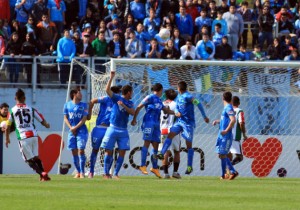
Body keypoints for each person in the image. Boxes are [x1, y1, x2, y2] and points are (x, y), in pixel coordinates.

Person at [157, 81, 209, 175]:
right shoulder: (178, 97)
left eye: (177, 87)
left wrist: (204, 116)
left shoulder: (188, 96)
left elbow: (199, 104)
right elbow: (176, 107)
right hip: (180, 122)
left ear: (179, 88)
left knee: (189, 145)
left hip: (188, 124)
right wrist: (177, 112)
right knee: (170, 134)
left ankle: (189, 166)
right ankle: (162, 153)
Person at [5, 89, 51, 181]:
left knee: (28, 160)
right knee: (36, 157)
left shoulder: (12, 110)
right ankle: (43, 177)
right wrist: (47, 125)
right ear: (24, 98)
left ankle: (42, 173)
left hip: (23, 137)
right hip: (33, 135)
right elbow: (42, 120)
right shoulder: (31, 109)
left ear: (15, 98)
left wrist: (7, 139)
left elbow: (7, 126)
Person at [131, 83, 173, 178]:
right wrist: (134, 119)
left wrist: (176, 113)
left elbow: (165, 110)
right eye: (162, 90)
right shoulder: (149, 97)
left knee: (156, 145)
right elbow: (139, 107)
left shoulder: (159, 100)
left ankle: (155, 168)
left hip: (156, 124)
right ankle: (142, 165)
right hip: (148, 122)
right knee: (147, 143)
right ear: (160, 90)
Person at [100, 71, 135, 179]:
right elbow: (107, 90)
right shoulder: (117, 98)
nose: (132, 94)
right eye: (132, 92)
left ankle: (115, 174)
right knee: (108, 151)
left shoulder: (130, 103)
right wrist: (111, 78)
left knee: (122, 152)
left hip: (123, 130)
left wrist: (123, 105)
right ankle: (106, 173)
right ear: (128, 92)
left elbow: (132, 112)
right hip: (112, 128)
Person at [87, 85, 122, 178]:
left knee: (109, 151)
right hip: (99, 127)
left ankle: (106, 173)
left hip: (110, 129)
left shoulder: (119, 102)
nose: (120, 94)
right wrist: (89, 114)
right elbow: (92, 101)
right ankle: (91, 172)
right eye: (119, 92)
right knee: (95, 150)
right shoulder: (105, 99)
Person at [212, 91, 238, 180]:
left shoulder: (228, 108)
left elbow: (233, 120)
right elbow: (226, 119)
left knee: (223, 154)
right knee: (221, 154)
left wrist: (226, 130)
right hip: (222, 135)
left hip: (226, 136)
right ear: (230, 98)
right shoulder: (226, 108)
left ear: (222, 98)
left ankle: (225, 174)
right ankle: (231, 171)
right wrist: (217, 121)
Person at [63, 88, 88, 178]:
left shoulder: (84, 105)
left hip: (81, 130)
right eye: (79, 93)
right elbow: (65, 118)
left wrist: (75, 128)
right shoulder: (67, 105)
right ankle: (78, 171)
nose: (81, 95)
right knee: (74, 151)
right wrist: (71, 128)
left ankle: (82, 172)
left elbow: (84, 119)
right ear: (74, 94)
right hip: (71, 131)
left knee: (81, 150)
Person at [159, 89, 182, 179]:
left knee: (165, 151)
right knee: (176, 151)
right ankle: (175, 172)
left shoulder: (161, 103)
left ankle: (165, 173)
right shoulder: (176, 105)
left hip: (163, 129)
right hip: (173, 130)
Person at [228, 96, 247, 166]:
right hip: (235, 137)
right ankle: (229, 167)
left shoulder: (228, 111)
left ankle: (227, 170)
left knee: (228, 156)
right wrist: (244, 135)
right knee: (240, 157)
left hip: (227, 136)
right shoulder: (239, 111)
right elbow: (241, 123)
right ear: (239, 103)